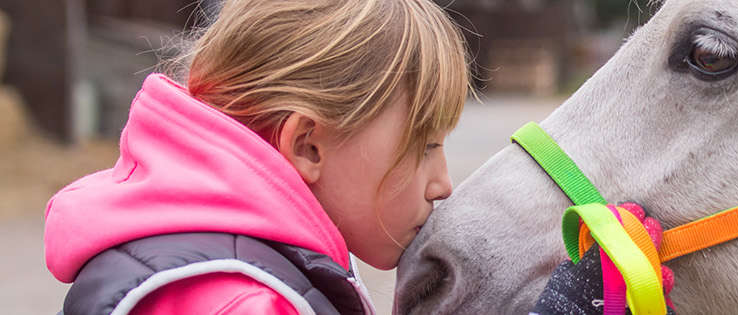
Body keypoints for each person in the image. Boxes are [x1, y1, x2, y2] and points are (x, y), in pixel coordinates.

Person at [44, 0, 469, 313]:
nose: (443, 184)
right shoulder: (245, 302)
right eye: (425, 146)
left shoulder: (222, 269)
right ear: (307, 145)